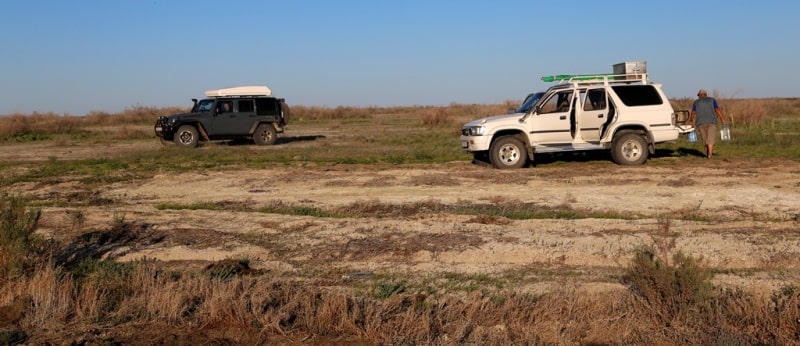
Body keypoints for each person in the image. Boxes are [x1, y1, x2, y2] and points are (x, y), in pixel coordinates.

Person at [689, 89, 727, 158]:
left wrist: (691, 120)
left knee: (704, 139)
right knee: (711, 138)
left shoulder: (696, 102)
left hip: (700, 123)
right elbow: (717, 110)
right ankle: (709, 154)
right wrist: (722, 119)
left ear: (699, 95)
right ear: (706, 94)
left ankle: (708, 154)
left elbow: (693, 113)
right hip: (711, 122)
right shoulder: (712, 100)